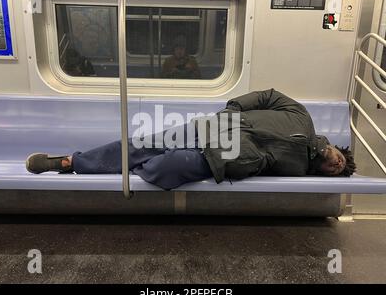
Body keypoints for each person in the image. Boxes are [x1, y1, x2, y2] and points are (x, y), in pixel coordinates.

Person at [26, 89, 356, 190]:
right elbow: (269, 96)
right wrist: (234, 108)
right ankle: (70, 162)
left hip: (218, 159)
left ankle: (135, 167)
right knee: (139, 145)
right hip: (208, 129)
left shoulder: (299, 170)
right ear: (335, 151)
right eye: (339, 162)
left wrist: (241, 163)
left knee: (164, 168)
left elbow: (262, 168)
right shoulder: (302, 118)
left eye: (335, 172)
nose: (334, 167)